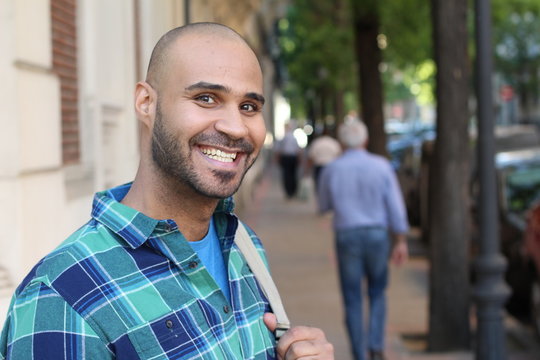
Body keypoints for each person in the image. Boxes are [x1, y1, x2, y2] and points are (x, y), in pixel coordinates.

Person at [0, 23, 333, 360]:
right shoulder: (62, 299)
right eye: (206, 98)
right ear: (146, 103)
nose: (235, 127)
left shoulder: (245, 246)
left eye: (248, 107)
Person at [317, 120, 409, 360]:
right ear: (366, 141)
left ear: (341, 143)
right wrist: (400, 240)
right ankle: (376, 345)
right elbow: (396, 208)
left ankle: (359, 353)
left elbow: (324, 205)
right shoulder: (382, 166)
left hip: (347, 235)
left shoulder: (332, 169)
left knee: (352, 297)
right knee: (378, 291)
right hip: (378, 235)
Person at [274, 123, 301, 199]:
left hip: (286, 158)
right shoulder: (293, 138)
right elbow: (298, 150)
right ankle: (293, 191)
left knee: (286, 175)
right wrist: (299, 159)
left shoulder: (283, 138)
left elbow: (278, 150)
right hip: (292, 157)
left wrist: (277, 159)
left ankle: (289, 191)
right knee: (293, 174)